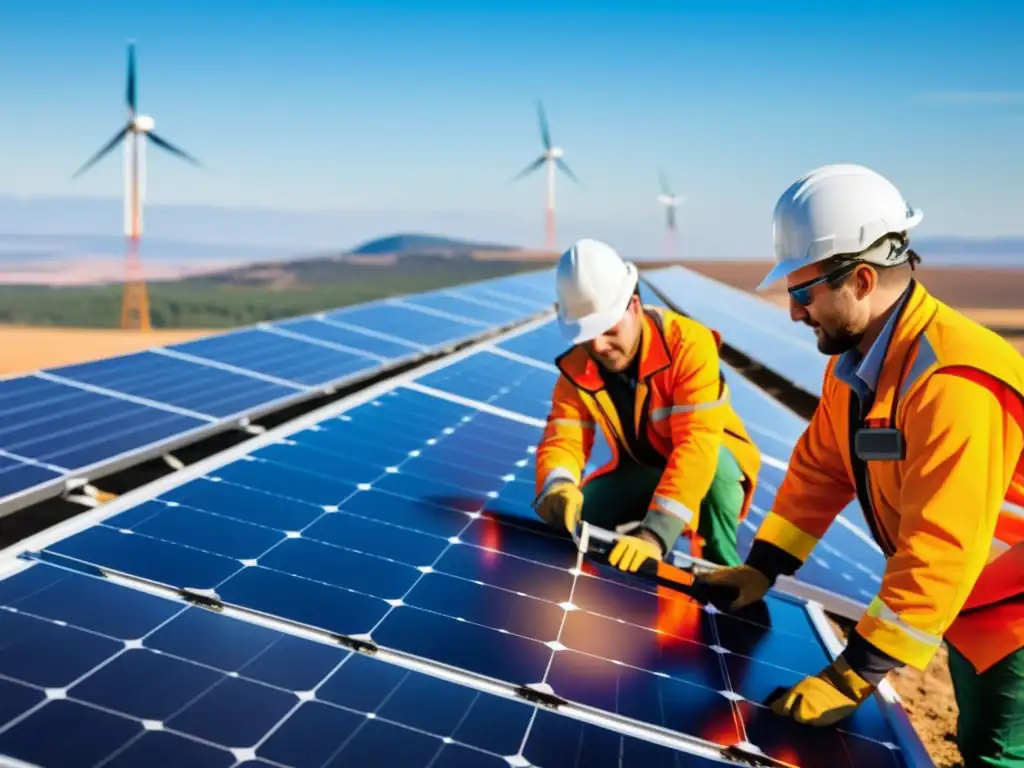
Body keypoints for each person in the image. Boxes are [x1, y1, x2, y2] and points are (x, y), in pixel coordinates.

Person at [697, 164, 1024, 767]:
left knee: (997, 755)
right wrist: (762, 569)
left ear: (863, 279)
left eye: (802, 293)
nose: (794, 312)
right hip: (969, 603)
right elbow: (821, 471)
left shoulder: (954, 381)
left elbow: (942, 546)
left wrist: (855, 675)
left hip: (1014, 619)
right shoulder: (859, 365)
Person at [532, 238, 762, 571]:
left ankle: (721, 571)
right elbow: (563, 438)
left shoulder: (688, 346)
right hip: (642, 469)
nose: (598, 344)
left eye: (608, 329)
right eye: (585, 333)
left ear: (635, 305)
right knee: (578, 517)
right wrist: (558, 486)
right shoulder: (578, 366)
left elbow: (696, 447)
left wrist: (654, 535)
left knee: (717, 470)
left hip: (710, 465)